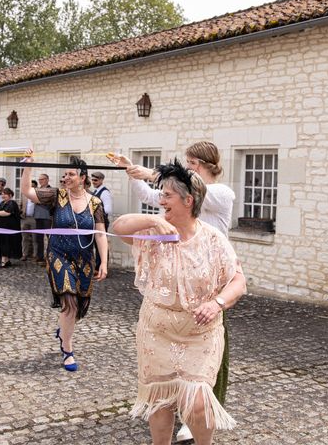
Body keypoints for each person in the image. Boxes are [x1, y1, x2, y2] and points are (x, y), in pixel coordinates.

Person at [111, 159, 246, 444]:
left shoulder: (214, 240)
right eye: (161, 195)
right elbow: (119, 227)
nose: (161, 200)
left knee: (197, 401)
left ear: (189, 200)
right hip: (156, 330)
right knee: (160, 401)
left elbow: (238, 282)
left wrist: (216, 303)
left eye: (167, 195)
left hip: (200, 334)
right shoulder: (154, 233)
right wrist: (153, 220)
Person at [21, 151, 108, 372]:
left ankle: (63, 329)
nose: (66, 178)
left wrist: (104, 263)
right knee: (68, 300)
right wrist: (28, 166)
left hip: (86, 258)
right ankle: (67, 350)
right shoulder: (57, 196)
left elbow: (100, 234)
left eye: (71, 174)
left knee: (78, 306)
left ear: (83, 178)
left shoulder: (96, 203)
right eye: (65, 174)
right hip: (59, 254)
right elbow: (27, 192)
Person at [0, 187, 22, 268]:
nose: (3, 195)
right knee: (1, 243)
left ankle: (4, 262)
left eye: (5, 194)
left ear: (10, 195)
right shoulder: (2, 203)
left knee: (6, 244)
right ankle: (6, 261)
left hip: (9, 228)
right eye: (2, 194)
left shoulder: (12, 203)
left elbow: (6, 213)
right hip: (1, 227)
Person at [90, 171, 113, 272]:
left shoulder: (104, 192)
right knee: (96, 244)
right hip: (95, 221)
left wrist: (95, 211)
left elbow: (108, 209)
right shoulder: (95, 192)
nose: (93, 182)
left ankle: (102, 268)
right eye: (92, 180)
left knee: (101, 244)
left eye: (96, 180)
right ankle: (97, 266)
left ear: (101, 180)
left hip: (102, 222)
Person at [33, 173, 52, 266]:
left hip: (47, 217)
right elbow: (33, 199)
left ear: (47, 180)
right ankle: (40, 256)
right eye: (39, 180)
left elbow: (47, 200)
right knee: (39, 238)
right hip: (38, 216)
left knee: (49, 238)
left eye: (43, 179)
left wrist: (38, 200)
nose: (41, 181)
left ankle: (49, 257)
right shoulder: (37, 190)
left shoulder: (50, 190)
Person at [20, 179, 38, 261]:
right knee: (24, 237)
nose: (31, 188)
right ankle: (25, 254)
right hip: (25, 218)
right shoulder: (24, 195)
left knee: (35, 238)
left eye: (33, 186)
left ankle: (35, 254)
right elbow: (20, 205)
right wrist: (21, 212)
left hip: (34, 219)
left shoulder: (38, 195)